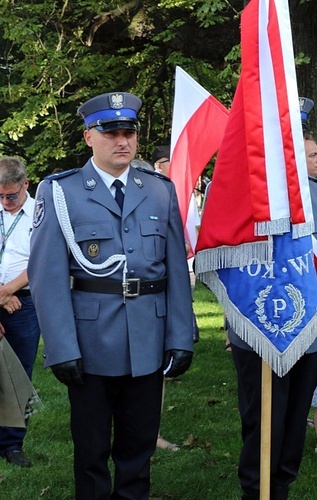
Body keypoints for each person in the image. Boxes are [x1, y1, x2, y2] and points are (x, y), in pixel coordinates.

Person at [28, 92, 194, 498]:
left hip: (147, 339)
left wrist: (181, 335)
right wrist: (62, 348)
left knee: (137, 452)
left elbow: (175, 268)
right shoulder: (61, 192)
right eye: (111, 133)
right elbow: (46, 277)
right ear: (88, 137)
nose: (122, 141)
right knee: (91, 451)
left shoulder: (159, 190)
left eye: (129, 132)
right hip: (91, 342)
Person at [228, 97, 317, 499]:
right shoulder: (238, 190)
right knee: (263, 420)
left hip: (308, 325)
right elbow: (226, 260)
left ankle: (280, 487)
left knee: (295, 419)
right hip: (258, 328)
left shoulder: (315, 191)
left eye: (295, 135)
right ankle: (255, 490)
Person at [0, 157, 40, 468]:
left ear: (25, 184)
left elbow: (41, 260)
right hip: (3, 298)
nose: (5, 202)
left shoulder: (42, 213)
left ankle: (12, 444)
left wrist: (9, 291)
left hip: (22, 303)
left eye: (10, 195)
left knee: (18, 374)